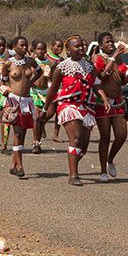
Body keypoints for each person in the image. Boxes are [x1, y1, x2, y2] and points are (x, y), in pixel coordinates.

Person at [44, 34, 110, 187]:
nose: (81, 48)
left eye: (82, 46)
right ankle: (73, 175)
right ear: (68, 50)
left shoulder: (89, 66)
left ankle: (72, 162)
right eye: (77, 46)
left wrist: (105, 99)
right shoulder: (61, 68)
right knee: (76, 137)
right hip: (68, 105)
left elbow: (97, 84)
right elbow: (53, 89)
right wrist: (45, 108)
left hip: (86, 106)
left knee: (84, 146)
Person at [92, 32, 128, 181]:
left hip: (118, 101)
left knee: (121, 135)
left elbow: (119, 81)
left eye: (112, 41)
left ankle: (110, 159)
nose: (111, 44)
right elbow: (102, 76)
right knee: (105, 137)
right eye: (107, 42)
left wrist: (127, 76)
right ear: (101, 45)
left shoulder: (118, 58)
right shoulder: (98, 58)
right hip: (103, 102)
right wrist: (114, 56)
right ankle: (103, 171)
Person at [1, 36, 39, 178]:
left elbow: (39, 71)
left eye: (26, 45)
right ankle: (21, 166)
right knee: (17, 133)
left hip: (27, 102)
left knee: (22, 134)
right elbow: (2, 81)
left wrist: (31, 83)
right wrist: (4, 92)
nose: (25, 48)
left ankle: (14, 165)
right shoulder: (8, 63)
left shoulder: (30, 62)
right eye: (22, 45)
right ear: (14, 46)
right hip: (13, 101)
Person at [30, 40, 52, 154]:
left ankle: (38, 136)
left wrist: (49, 74)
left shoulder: (49, 63)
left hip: (45, 92)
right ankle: (36, 143)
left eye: (43, 49)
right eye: (38, 49)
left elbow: (52, 78)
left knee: (46, 115)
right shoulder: (32, 61)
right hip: (34, 92)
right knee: (37, 117)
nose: (41, 51)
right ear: (34, 50)